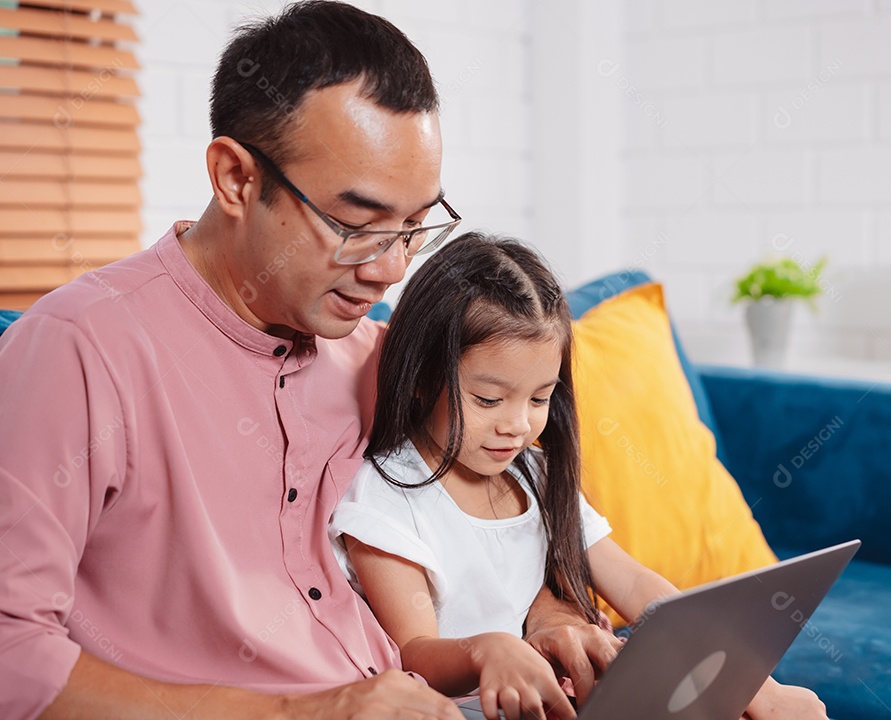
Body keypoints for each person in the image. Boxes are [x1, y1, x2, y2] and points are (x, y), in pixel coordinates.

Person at [0, 4, 617, 719]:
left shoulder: (382, 358)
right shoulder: (80, 347)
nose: (391, 270)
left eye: (414, 227)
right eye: (355, 226)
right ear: (235, 178)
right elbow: (11, 652)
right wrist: (307, 711)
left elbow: (491, 527)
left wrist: (545, 621)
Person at [329, 233, 829, 720]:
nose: (517, 424)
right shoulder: (387, 493)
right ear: (420, 379)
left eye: (539, 398)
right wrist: (491, 651)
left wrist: (761, 686)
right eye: (488, 399)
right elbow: (415, 652)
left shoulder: (536, 473)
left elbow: (634, 584)